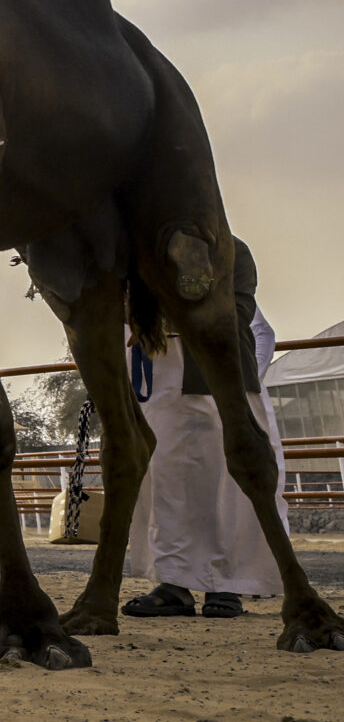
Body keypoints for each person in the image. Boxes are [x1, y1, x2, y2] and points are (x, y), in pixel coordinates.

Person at [125, 240, 285, 619]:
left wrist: (244, 380)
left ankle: (226, 586)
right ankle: (173, 583)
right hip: (159, 391)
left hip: (218, 384)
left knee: (226, 489)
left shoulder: (228, 251)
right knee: (168, 486)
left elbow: (245, 318)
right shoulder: (141, 258)